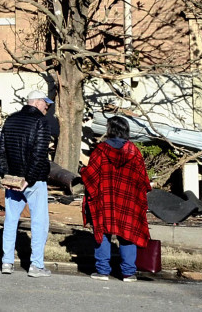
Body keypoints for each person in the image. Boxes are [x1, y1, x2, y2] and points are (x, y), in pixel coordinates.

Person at [81, 115, 152, 282]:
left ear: (110, 130)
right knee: (127, 233)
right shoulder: (134, 151)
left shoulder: (101, 150)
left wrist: (82, 172)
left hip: (104, 199)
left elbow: (91, 175)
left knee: (102, 232)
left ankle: (103, 271)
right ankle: (128, 273)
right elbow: (143, 180)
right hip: (128, 201)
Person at [0, 89, 54, 277]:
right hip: (33, 181)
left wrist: (5, 175)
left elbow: (1, 150)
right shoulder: (41, 122)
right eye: (46, 103)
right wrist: (28, 179)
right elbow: (39, 155)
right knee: (39, 221)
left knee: (11, 220)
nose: (47, 106)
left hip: (12, 179)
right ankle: (36, 265)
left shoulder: (11, 119)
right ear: (37, 102)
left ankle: (6, 262)